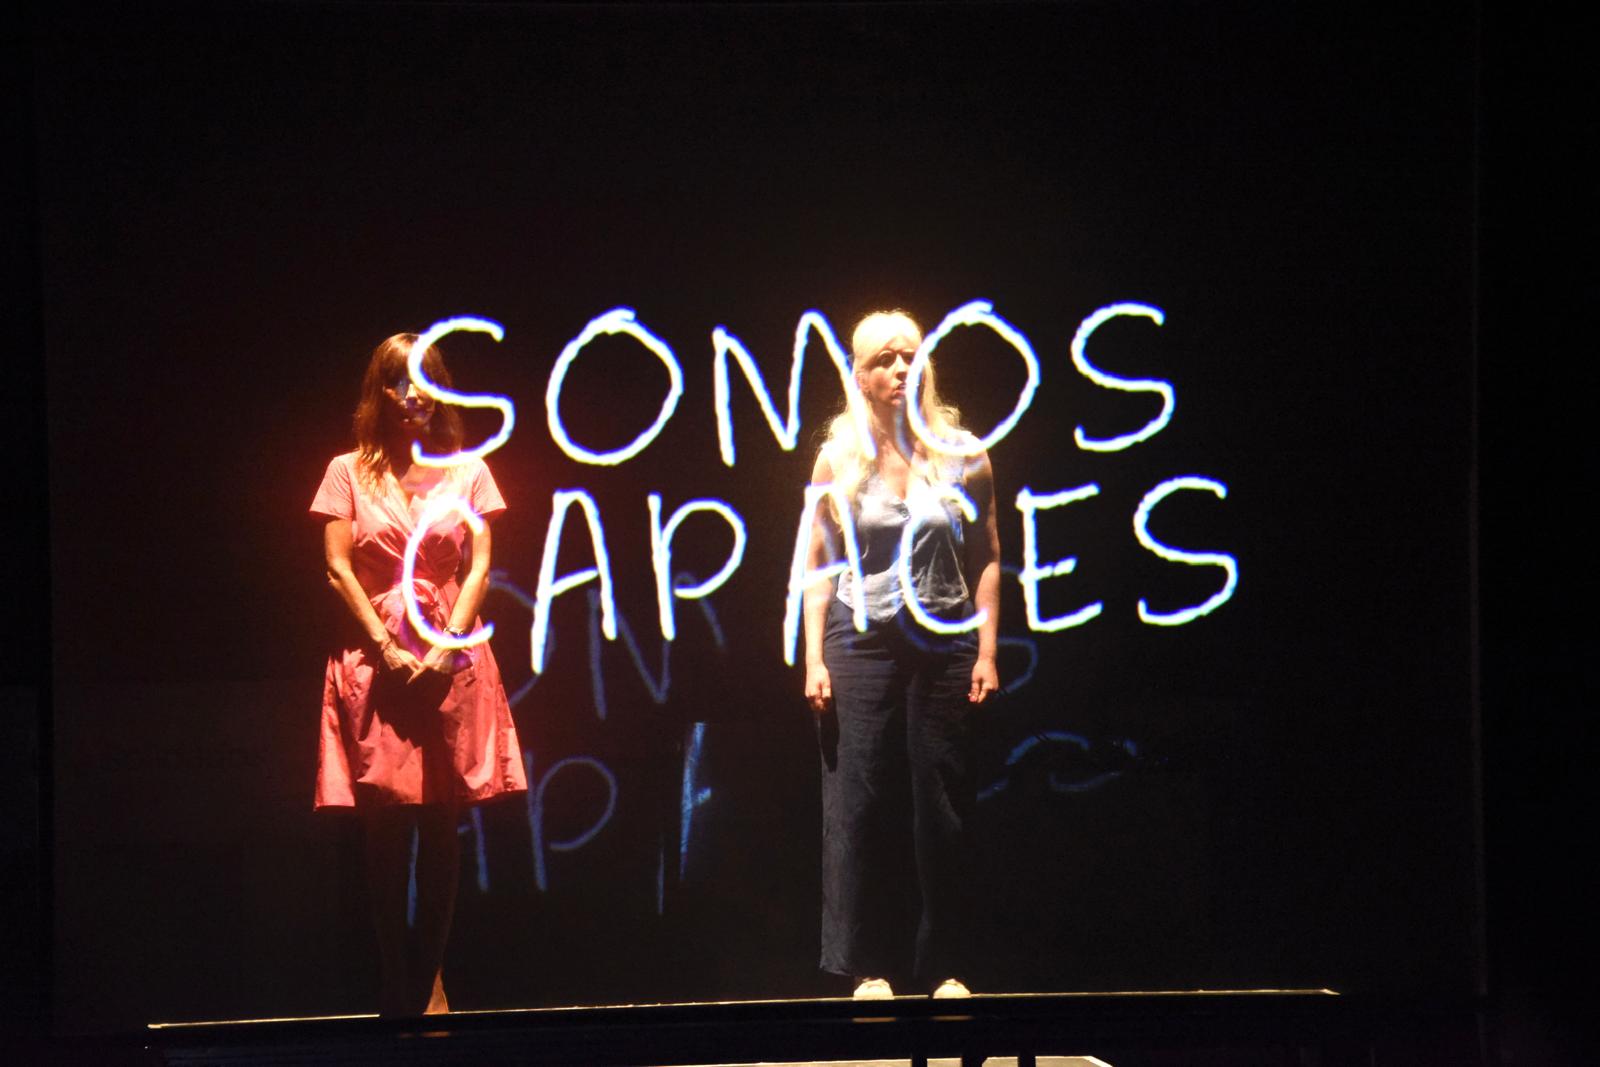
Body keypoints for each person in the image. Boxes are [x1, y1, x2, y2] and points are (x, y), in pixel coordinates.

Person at [310, 333, 527, 1016]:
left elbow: (479, 566)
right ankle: (394, 974)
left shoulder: (469, 470)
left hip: (449, 659)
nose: (414, 397)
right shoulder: (347, 469)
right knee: (384, 826)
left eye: (426, 381)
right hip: (377, 662)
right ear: (378, 393)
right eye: (399, 384)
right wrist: (388, 647)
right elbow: (337, 566)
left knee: (441, 822)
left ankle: (430, 979)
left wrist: (444, 644)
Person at [802, 309, 1001, 1000]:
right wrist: (813, 659)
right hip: (858, 637)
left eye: (909, 355)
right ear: (858, 374)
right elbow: (818, 565)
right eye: (883, 359)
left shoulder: (963, 451)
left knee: (939, 797)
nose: (898, 369)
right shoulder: (839, 457)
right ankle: (868, 965)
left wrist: (987, 649)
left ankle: (944, 963)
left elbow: (988, 557)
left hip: (943, 635)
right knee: (858, 797)